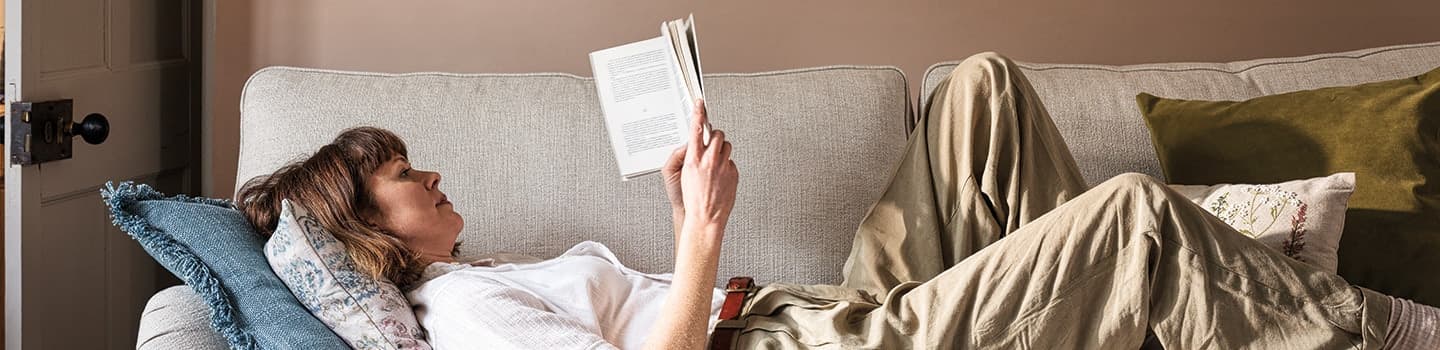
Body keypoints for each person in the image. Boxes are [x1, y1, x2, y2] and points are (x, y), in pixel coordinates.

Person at [236, 53, 1439, 349]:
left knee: (980, 92)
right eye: (404, 172)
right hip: (801, 341)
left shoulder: (476, 273)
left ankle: (1086, 310)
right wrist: (701, 226)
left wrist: (684, 222)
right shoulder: (468, 320)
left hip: (817, 305)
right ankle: (1383, 328)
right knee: (1134, 214)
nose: (430, 173)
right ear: (368, 223)